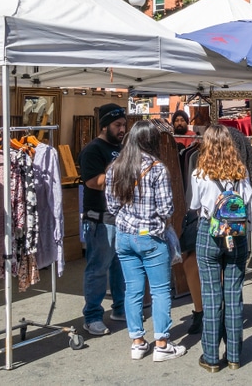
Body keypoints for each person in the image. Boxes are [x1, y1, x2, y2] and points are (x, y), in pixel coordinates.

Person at [106, 120, 187, 362]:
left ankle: (138, 342)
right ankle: (162, 343)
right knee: (161, 290)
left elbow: (111, 206)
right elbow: (166, 208)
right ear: (151, 141)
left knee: (133, 290)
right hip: (150, 237)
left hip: (124, 236)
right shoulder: (157, 168)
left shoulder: (115, 168)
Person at [190, 125, 252, 372]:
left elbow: (195, 204)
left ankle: (211, 357)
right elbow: (247, 201)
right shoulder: (241, 172)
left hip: (209, 234)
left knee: (211, 295)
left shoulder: (199, 174)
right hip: (236, 235)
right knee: (234, 294)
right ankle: (235, 355)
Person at [78, 103, 128, 336]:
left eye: (124, 126)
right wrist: (120, 173)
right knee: (98, 269)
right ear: (105, 125)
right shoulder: (93, 150)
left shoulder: (122, 147)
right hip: (99, 220)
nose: (122, 130)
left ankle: (119, 308)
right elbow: (92, 182)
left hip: (120, 217)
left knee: (120, 267)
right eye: (117, 125)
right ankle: (92, 316)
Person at [170, 109, 204, 334]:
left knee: (192, 261)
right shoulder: (178, 147)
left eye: (183, 119)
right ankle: (211, 310)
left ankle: (201, 311)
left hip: (199, 219)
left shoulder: (194, 157)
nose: (180, 123)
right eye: (177, 120)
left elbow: (194, 200)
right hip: (225, 227)